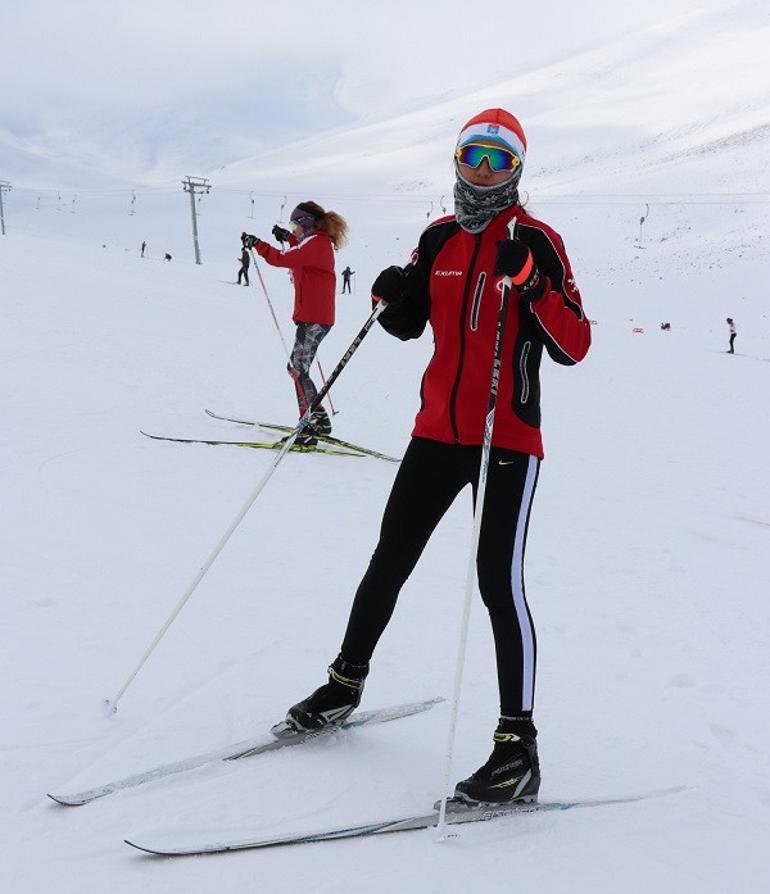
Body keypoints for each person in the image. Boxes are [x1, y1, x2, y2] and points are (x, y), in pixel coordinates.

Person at [274, 109, 591, 806]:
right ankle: (343, 684)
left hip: (504, 439)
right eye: (473, 155)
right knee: (389, 558)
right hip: (435, 432)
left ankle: (518, 748)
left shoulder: (538, 240)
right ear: (456, 159)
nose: (483, 170)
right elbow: (413, 324)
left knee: (496, 583)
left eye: (498, 160)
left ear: (517, 170)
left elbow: (575, 343)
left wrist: (534, 285)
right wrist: (395, 297)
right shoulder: (439, 236)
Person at [242, 202, 348, 446]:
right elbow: (300, 251)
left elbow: (281, 259)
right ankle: (317, 419)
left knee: (298, 369)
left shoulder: (317, 243)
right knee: (296, 368)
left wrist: (258, 244)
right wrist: (288, 237)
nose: (294, 229)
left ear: (306, 224)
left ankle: (310, 424)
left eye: (294, 225)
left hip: (315, 317)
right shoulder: (315, 242)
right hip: (312, 315)